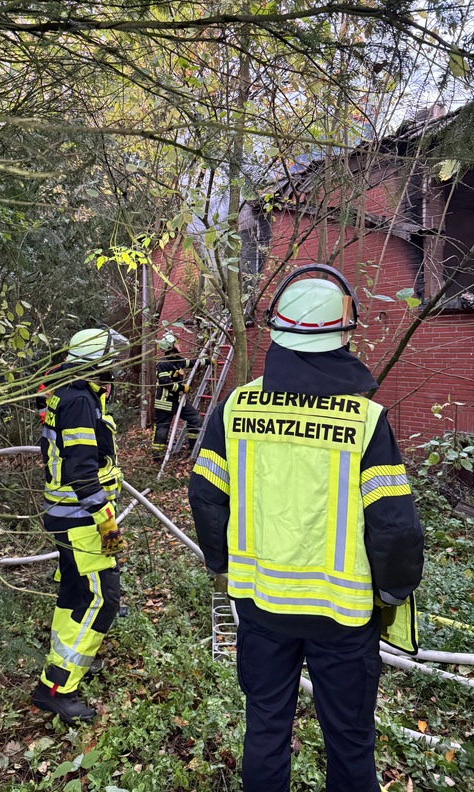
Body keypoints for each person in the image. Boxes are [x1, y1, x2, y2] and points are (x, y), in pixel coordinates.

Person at [188, 264, 424, 792]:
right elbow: (393, 527)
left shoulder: (235, 408)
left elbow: (205, 494)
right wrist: (391, 590)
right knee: (349, 738)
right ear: (345, 334)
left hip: (261, 603)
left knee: (267, 725)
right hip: (340, 616)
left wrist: (222, 564)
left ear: (275, 332)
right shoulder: (365, 420)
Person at [32, 326, 129, 724]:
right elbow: (82, 471)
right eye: (111, 358)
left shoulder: (77, 394)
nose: (117, 365)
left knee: (76, 593)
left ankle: (63, 668)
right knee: (100, 600)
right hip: (83, 519)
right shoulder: (77, 402)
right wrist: (107, 523)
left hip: (75, 517)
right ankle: (55, 688)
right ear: (96, 361)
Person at [152, 330, 213, 461]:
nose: (179, 344)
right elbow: (165, 383)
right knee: (162, 428)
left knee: (195, 418)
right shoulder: (163, 363)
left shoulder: (178, 360)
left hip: (178, 401)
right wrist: (181, 387)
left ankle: (192, 448)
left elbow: (192, 363)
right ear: (170, 346)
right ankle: (157, 456)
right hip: (165, 402)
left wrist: (208, 361)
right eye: (176, 342)